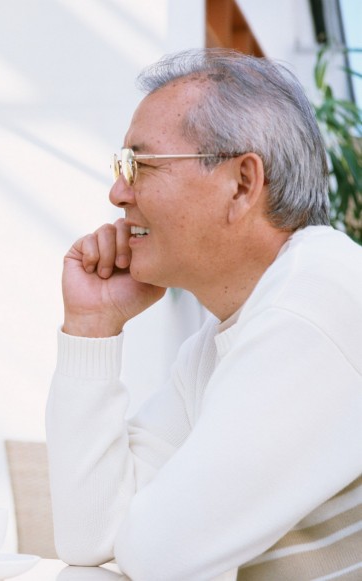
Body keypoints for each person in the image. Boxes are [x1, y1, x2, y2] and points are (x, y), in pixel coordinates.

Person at [46, 49, 362, 580]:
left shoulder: (315, 300)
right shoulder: (220, 339)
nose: (117, 192)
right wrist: (91, 326)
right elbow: (89, 538)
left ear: (242, 183)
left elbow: (158, 555)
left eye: (139, 164)